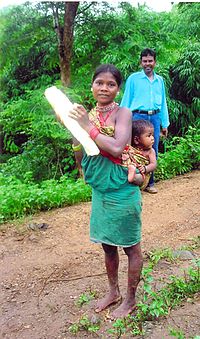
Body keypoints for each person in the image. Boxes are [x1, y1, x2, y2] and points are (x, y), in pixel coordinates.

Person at [68, 64, 143, 319]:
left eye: (111, 84)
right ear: (92, 85)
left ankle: (130, 299)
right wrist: (75, 133)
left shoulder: (123, 113)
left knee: (131, 246)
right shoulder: (86, 114)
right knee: (107, 245)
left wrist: (86, 126)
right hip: (100, 189)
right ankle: (114, 292)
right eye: (99, 82)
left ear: (118, 89)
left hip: (122, 187)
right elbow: (81, 149)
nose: (104, 88)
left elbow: (116, 147)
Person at [121, 48, 169, 193]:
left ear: (155, 62)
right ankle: (132, 182)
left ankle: (150, 183)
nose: (147, 64)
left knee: (151, 149)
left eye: (150, 61)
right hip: (137, 117)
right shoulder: (133, 79)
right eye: (144, 61)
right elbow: (126, 99)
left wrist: (164, 123)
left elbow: (163, 103)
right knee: (133, 150)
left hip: (154, 117)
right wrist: (121, 121)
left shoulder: (160, 80)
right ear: (141, 62)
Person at [121, 119, 157, 190]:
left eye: (152, 135)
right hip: (129, 172)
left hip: (142, 177)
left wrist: (145, 168)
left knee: (138, 177)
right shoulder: (131, 148)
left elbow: (153, 164)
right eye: (149, 136)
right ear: (136, 140)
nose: (152, 138)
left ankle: (132, 176)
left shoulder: (150, 151)